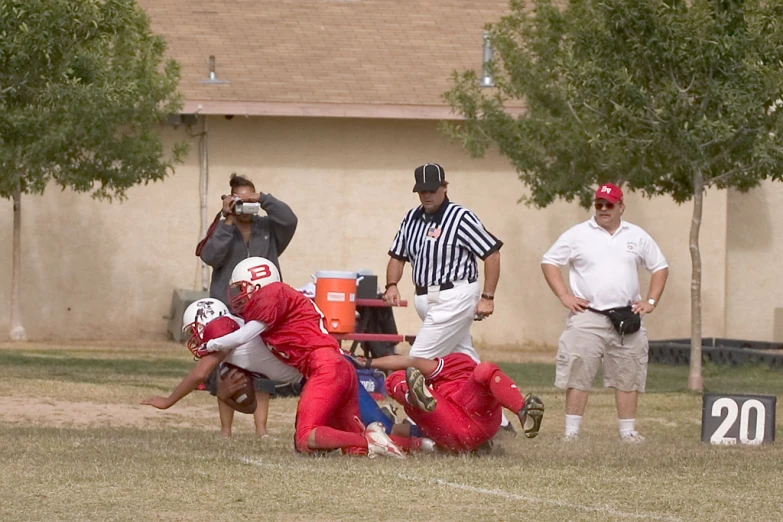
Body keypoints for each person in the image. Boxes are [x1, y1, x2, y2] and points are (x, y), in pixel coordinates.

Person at [199, 256, 405, 458]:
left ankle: (371, 440)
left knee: (306, 438)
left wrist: (209, 345)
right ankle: (422, 443)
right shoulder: (278, 303)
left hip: (325, 367)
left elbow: (242, 336)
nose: (240, 296)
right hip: (335, 366)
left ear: (259, 284)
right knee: (351, 448)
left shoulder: (273, 294)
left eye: (243, 289)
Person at [382, 163, 515, 435]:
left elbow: (492, 254)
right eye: (421, 191)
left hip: (455, 294)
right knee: (464, 361)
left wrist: (488, 296)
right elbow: (397, 255)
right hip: (425, 297)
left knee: (417, 360)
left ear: (445, 187)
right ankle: (501, 423)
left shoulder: (461, 217)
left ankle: (420, 423)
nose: (427, 195)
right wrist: (392, 284)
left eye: (432, 189)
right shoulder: (411, 218)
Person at [541, 183, 669, 442]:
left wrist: (651, 301)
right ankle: (571, 432)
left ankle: (628, 431)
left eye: (609, 204)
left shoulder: (637, 236)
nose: (603, 209)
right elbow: (549, 261)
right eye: (598, 204)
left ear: (621, 207)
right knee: (579, 370)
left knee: (628, 373)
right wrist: (565, 295)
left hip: (627, 316)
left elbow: (660, 267)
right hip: (589, 315)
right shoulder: (577, 235)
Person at [197, 173, 298, 437]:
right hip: (229, 308)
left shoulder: (269, 229)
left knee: (262, 368)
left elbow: (290, 219)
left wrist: (263, 199)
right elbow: (210, 256)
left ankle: (261, 429)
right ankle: (225, 429)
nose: (246, 205)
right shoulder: (223, 227)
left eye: (249, 198)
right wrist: (226, 220)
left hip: (264, 309)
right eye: (240, 199)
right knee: (226, 368)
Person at [353, 353, 544, 453]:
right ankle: (521, 409)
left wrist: (368, 362)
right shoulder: (467, 368)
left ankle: (413, 397)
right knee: (486, 369)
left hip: (453, 423)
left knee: (395, 378)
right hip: (483, 420)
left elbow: (411, 360)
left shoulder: (447, 368)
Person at [178, 298, 304, 438]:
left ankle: (260, 430)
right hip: (288, 372)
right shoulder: (227, 329)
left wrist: (167, 401)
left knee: (260, 385)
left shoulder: (226, 338)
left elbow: (199, 374)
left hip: (297, 373)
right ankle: (227, 430)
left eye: (192, 331)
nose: (193, 338)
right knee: (226, 379)